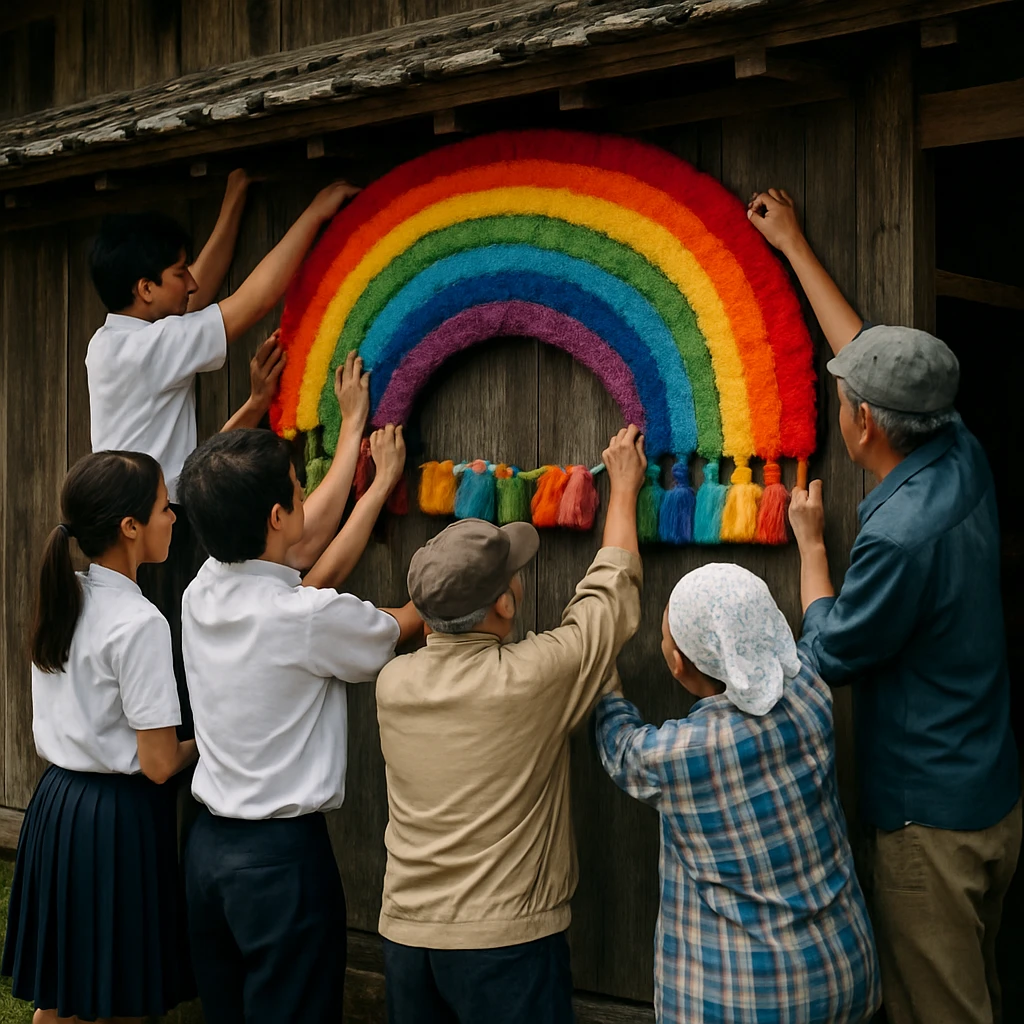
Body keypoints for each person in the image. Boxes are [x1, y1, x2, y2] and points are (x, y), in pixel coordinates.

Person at [748, 188, 1021, 1024]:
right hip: (990, 792)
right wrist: (793, 246)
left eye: (845, 400)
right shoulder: (961, 448)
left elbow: (829, 651)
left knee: (939, 1010)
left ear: (863, 424)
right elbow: (865, 350)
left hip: (927, 826)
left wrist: (811, 549)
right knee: (976, 991)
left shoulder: (899, 536)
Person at [376, 425, 647, 1024]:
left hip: (406, 939)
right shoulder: (529, 679)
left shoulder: (393, 684)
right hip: (504, 948)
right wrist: (623, 490)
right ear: (503, 603)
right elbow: (607, 603)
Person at [87, 172, 362, 734]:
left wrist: (235, 199)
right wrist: (314, 212)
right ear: (145, 289)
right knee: (174, 679)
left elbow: (198, 289)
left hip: (133, 523)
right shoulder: (153, 347)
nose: (189, 283)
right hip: (162, 532)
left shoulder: (110, 342)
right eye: (175, 272)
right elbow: (251, 301)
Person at [176, 415, 421, 1024]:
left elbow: (307, 580)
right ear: (276, 518)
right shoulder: (303, 618)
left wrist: (371, 484)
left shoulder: (200, 589)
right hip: (279, 864)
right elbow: (393, 628)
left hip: (207, 853)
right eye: (297, 488)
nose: (305, 496)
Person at [595, 563, 881, 1024]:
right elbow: (814, 631)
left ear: (678, 665)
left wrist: (603, 675)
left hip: (741, 998)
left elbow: (620, 747)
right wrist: (809, 547)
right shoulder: (810, 688)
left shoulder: (683, 753)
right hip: (843, 970)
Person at [1, 451, 198, 1023]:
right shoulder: (140, 624)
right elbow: (160, 763)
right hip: (116, 822)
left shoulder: (67, 595)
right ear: (129, 527)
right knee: (122, 1004)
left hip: (58, 808)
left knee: (61, 1002)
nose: (174, 517)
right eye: (165, 507)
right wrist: (214, 736)